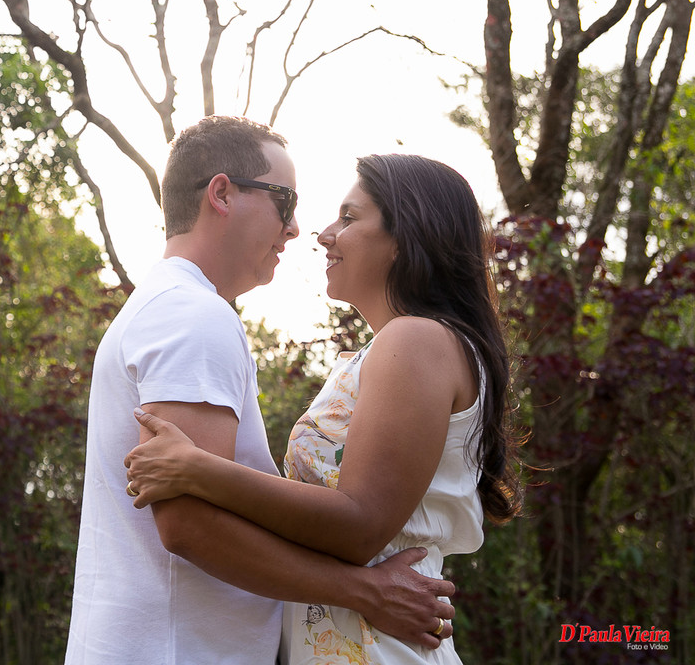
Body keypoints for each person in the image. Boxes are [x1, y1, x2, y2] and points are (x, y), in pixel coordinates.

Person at [65, 122, 458, 665]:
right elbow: (188, 526)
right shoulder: (192, 315)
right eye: (284, 200)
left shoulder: (175, 307)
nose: (298, 228)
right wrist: (363, 591)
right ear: (221, 193)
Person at [124, 153, 523, 664]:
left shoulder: (417, 341)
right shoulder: (387, 352)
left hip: (380, 646)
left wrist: (201, 471)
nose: (323, 233)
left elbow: (359, 527)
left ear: (407, 236)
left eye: (350, 218)